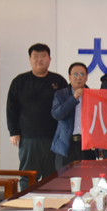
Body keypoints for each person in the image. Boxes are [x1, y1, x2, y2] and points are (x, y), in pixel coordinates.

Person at [6, 43, 68, 190]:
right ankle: (26, 203)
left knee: (52, 178)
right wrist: (13, 132)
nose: (39, 59)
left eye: (43, 56)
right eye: (35, 56)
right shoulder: (19, 81)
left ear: (49, 59)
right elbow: (11, 108)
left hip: (54, 138)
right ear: (30, 59)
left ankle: (50, 204)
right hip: (28, 138)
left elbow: (66, 108)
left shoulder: (59, 81)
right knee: (28, 177)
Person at [51, 62, 96, 170]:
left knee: (87, 177)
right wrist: (74, 98)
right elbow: (57, 115)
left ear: (87, 77)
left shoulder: (94, 95)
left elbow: (98, 121)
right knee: (64, 178)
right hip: (66, 145)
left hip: (87, 146)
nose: (78, 77)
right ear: (69, 77)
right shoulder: (60, 94)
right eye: (75, 74)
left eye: (82, 74)